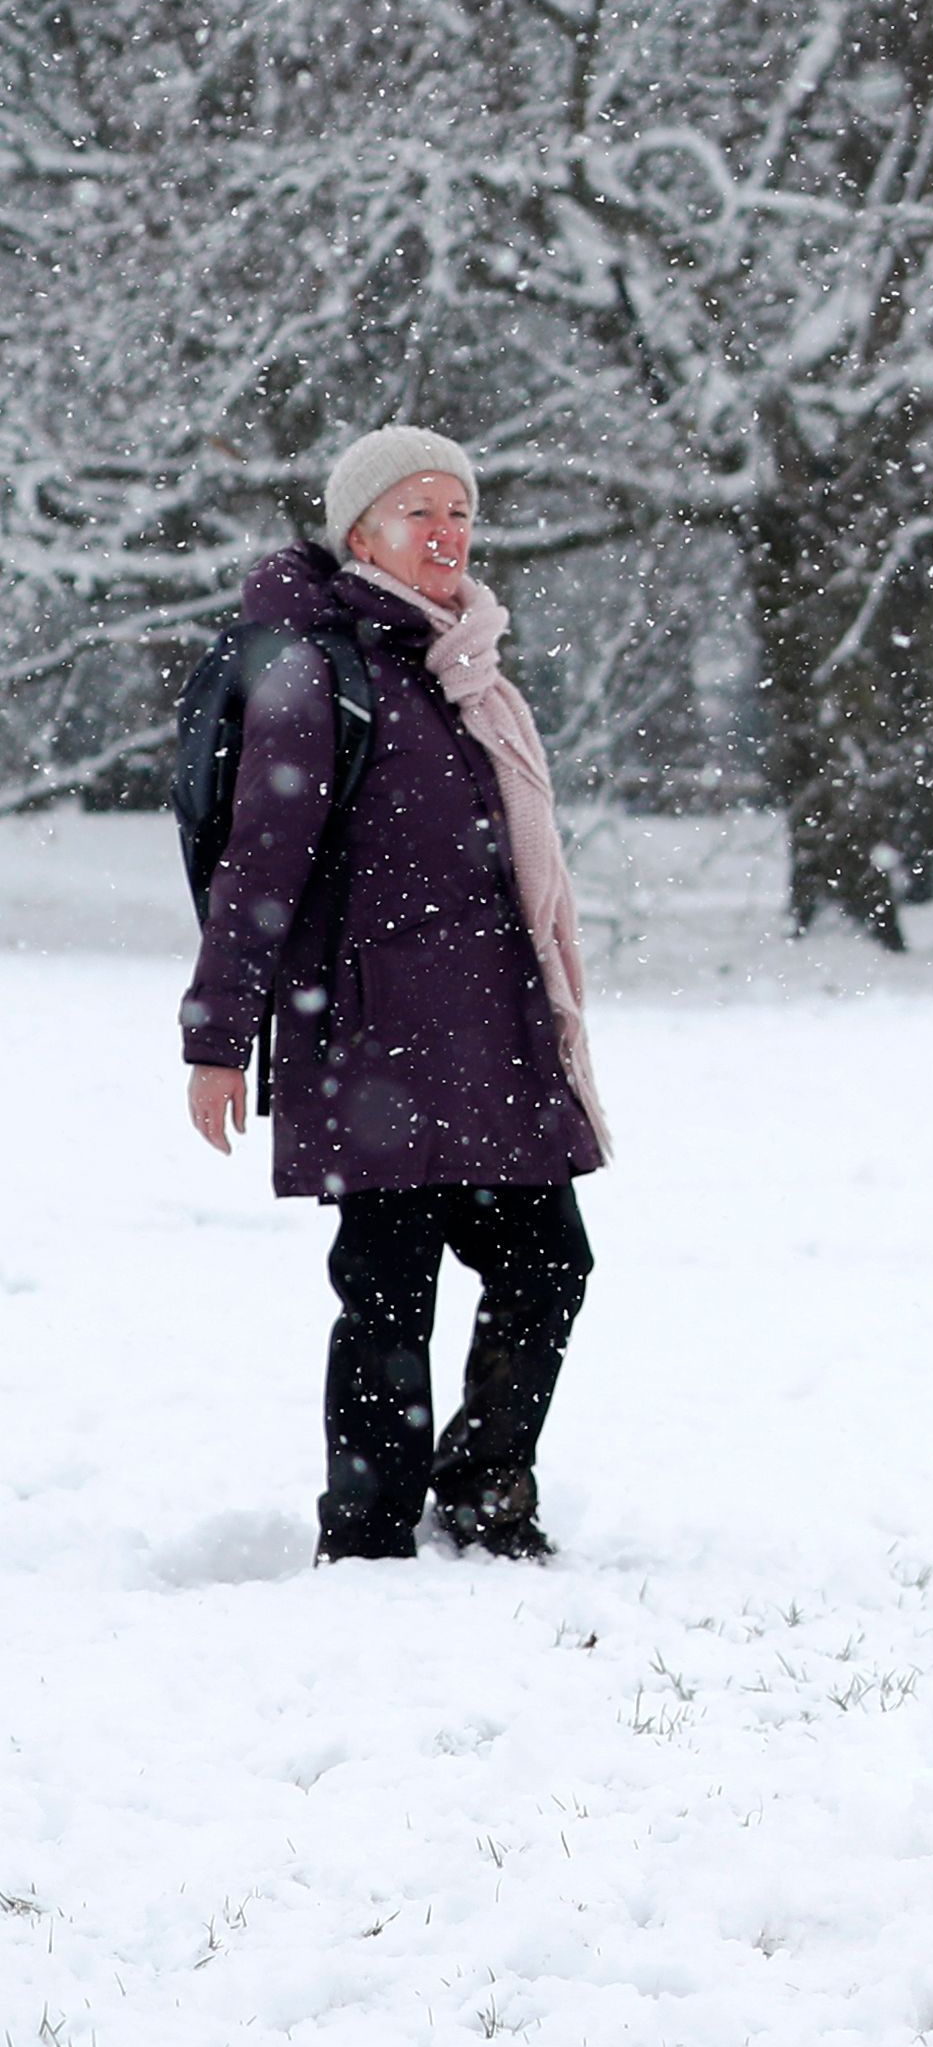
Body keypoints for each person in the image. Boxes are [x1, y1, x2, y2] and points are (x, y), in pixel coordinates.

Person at [178, 428, 611, 1563]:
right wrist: (218, 1037)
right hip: (371, 1041)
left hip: (493, 1042)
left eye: (461, 512)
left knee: (549, 1263)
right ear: (361, 532)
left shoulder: (465, 672)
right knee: (387, 1295)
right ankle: (365, 1534)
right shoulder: (321, 674)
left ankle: (482, 1491)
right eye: (418, 512)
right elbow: (259, 868)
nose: (447, 534)